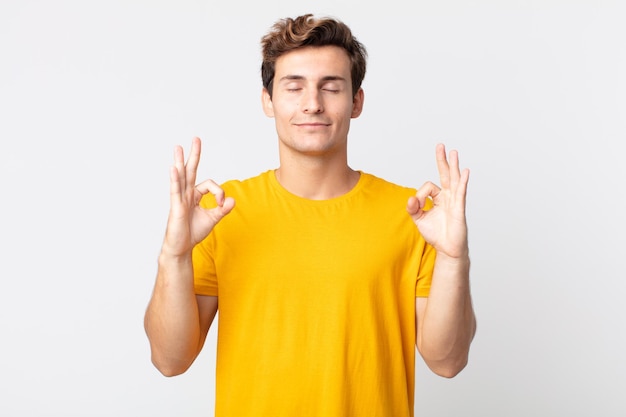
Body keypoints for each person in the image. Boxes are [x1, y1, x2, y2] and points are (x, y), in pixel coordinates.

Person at [144, 13, 476, 417]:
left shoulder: (415, 216)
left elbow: (447, 361)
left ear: (356, 102)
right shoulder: (220, 212)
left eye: (331, 87)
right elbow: (169, 360)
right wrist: (173, 255)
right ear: (268, 100)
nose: (312, 103)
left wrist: (455, 259)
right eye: (294, 86)